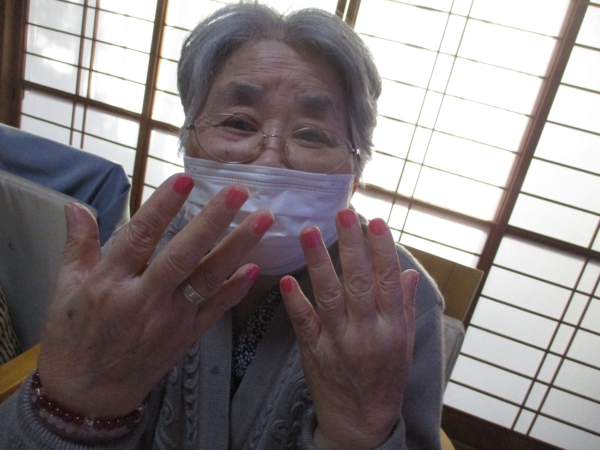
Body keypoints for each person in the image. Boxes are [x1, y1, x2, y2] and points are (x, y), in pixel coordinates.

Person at [0, 4, 444, 449]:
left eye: (311, 134)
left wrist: (359, 436)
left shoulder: (403, 303)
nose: (269, 162)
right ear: (187, 146)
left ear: (354, 177)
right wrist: (73, 407)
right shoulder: (140, 262)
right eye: (238, 123)